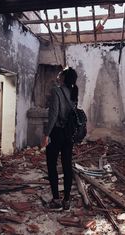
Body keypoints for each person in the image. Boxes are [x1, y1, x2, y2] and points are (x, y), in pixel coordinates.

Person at [41, 67, 78, 211]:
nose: (58, 75)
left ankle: (56, 199)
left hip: (56, 132)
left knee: (52, 165)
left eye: (60, 74)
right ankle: (67, 200)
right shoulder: (74, 92)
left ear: (63, 77)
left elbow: (54, 114)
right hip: (69, 134)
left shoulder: (57, 90)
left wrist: (46, 134)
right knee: (67, 166)